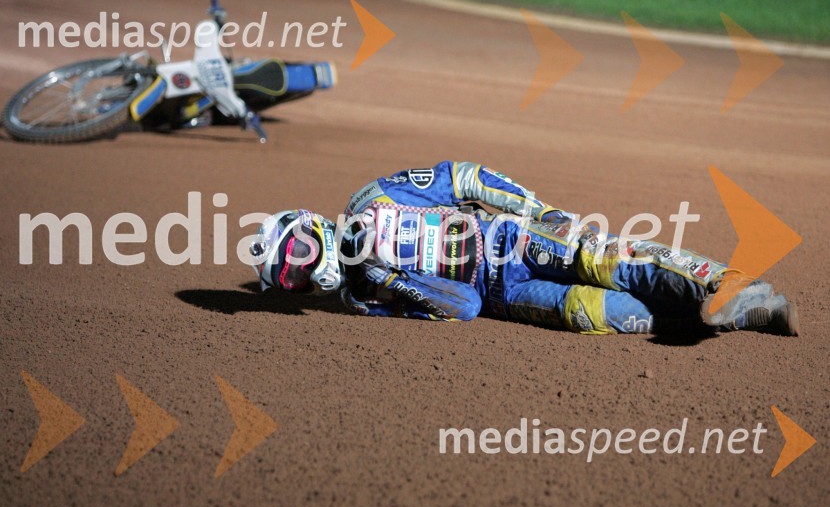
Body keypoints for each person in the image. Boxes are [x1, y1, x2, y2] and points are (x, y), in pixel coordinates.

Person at [249, 161, 798, 336]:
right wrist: (390, 279)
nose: (302, 272)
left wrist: (535, 209)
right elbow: (462, 307)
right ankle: (712, 317)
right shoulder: (362, 298)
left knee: (602, 258)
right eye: (290, 279)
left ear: (311, 224)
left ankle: (734, 286)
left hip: (508, 238)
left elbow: (461, 176)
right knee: (586, 312)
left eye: (295, 254)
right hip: (499, 295)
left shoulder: (371, 199)